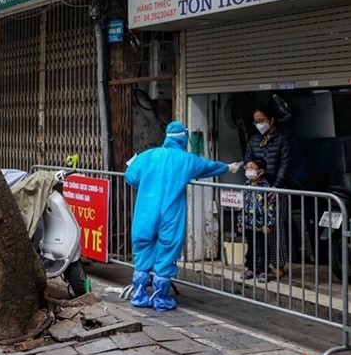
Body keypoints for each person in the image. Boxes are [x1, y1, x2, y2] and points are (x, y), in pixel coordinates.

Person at [125, 121, 240, 311]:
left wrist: (146, 186)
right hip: (170, 214)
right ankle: (160, 298)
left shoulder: (147, 156)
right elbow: (208, 167)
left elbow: (130, 176)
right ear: (184, 138)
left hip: (145, 212)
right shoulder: (186, 160)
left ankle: (139, 294)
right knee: (166, 252)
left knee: (143, 250)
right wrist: (228, 167)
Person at [244, 107, 292, 279]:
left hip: (275, 190)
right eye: (256, 121)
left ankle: (278, 264)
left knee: (275, 228)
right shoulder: (254, 140)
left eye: (262, 120)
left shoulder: (282, 140)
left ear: (271, 120)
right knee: (255, 230)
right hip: (257, 190)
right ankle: (257, 265)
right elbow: (248, 159)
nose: (259, 124)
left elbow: (284, 164)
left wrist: (276, 186)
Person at [237, 157, 277, 282]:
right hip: (249, 224)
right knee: (251, 247)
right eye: (247, 168)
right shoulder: (246, 186)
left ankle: (264, 270)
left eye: (252, 168)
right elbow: (241, 206)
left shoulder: (266, 188)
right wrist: (240, 222)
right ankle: (250, 268)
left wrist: (269, 224)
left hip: (261, 225)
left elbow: (270, 207)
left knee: (263, 248)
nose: (248, 171)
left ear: (260, 172)